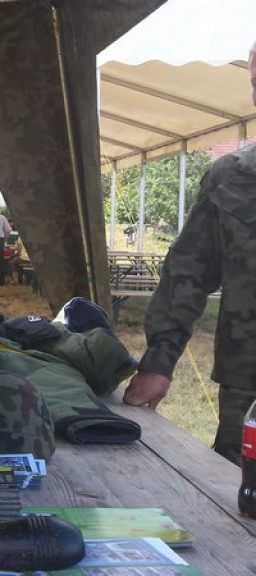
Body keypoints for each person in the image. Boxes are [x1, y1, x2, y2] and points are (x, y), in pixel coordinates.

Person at [123, 40, 256, 465]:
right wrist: (158, 363)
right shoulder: (232, 176)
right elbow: (189, 271)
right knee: (238, 493)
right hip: (247, 386)